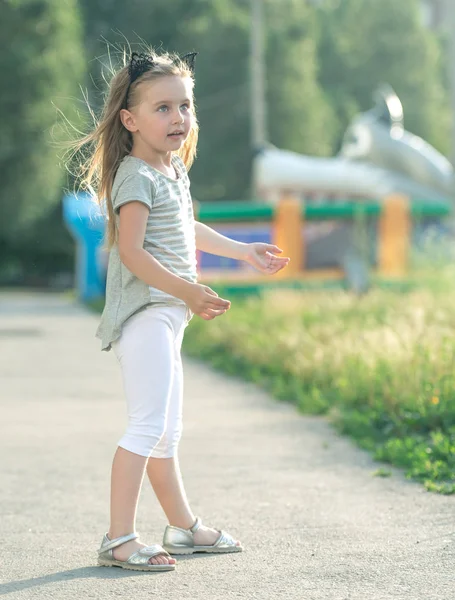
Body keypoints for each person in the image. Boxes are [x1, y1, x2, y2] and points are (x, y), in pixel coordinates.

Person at [75, 47, 290, 572]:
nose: (178, 119)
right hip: (146, 314)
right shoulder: (135, 175)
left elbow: (182, 228)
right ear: (130, 120)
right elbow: (130, 251)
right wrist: (189, 290)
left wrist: (242, 251)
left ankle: (184, 528)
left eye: (185, 107)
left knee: (167, 430)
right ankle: (119, 539)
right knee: (147, 427)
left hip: (167, 314)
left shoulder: (170, 171)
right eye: (163, 108)